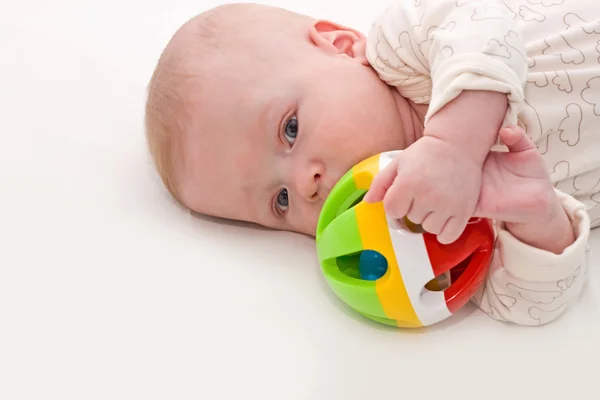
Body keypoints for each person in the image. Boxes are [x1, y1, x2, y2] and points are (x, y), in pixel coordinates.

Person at [144, 1, 599, 325]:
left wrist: (454, 145)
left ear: (341, 45)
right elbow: (527, 301)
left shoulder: (404, 48)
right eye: (279, 200)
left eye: (290, 129)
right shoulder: (431, 231)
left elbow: (484, 24)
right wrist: (539, 218)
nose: (305, 183)